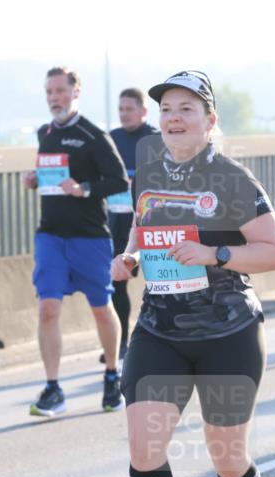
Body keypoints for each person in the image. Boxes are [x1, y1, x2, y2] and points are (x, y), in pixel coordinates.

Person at [111, 70, 275, 477]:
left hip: (228, 333)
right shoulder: (148, 172)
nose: (173, 117)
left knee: (227, 456)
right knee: (144, 447)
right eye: (166, 108)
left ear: (210, 121)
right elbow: (146, 229)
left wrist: (215, 255)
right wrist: (133, 258)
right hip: (159, 330)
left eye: (187, 108)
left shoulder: (232, 180)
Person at [22, 66, 129, 416]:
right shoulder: (45, 132)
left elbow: (117, 181)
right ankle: (53, 388)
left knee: (101, 308)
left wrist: (85, 189)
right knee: (47, 308)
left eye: (60, 91)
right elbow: (52, 174)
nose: (54, 98)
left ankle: (112, 375)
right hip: (51, 234)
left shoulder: (93, 135)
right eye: (49, 92)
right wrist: (35, 179)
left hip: (89, 236)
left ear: (75, 92)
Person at [105, 88, 161, 362]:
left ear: (143, 111)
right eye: (120, 109)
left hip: (150, 222)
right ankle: (122, 342)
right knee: (117, 283)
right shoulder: (112, 139)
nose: (124, 114)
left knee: (156, 281)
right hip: (117, 220)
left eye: (129, 109)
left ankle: (154, 338)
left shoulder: (155, 140)